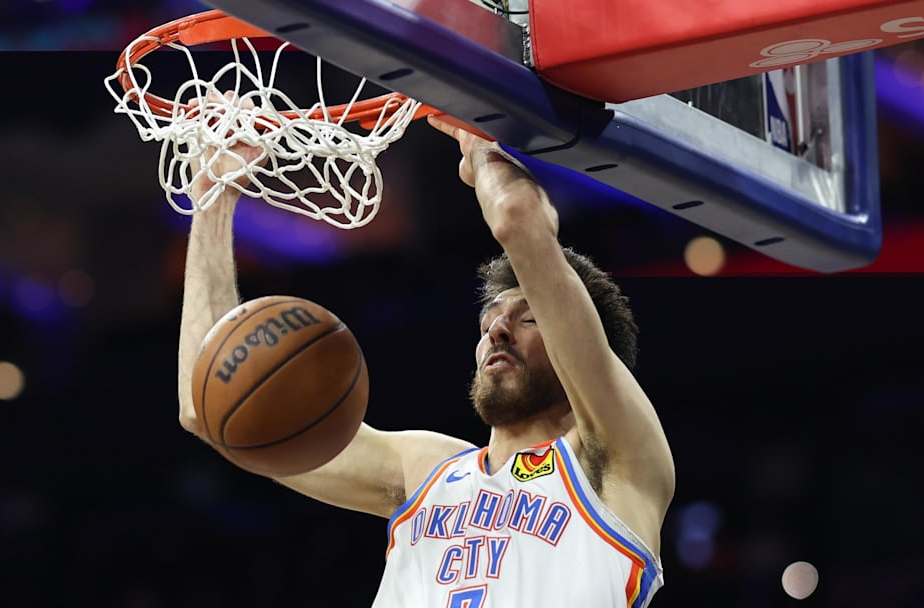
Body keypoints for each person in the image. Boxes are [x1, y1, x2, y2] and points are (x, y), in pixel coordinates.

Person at [176, 109, 675, 607]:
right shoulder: (424, 470)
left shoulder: (617, 461)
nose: (497, 330)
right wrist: (213, 202)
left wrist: (479, 144)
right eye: (488, 322)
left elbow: (518, 217)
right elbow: (207, 410)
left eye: (528, 319)